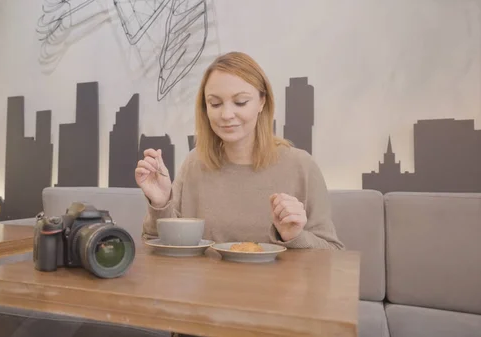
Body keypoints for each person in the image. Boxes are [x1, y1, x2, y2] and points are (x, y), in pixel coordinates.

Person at [135, 51, 344, 250]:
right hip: (207, 287)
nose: (226, 114)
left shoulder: (301, 166)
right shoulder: (194, 164)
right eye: (215, 104)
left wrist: (294, 236)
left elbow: (332, 253)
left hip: (277, 288)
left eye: (240, 102)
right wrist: (160, 203)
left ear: (262, 101)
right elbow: (158, 244)